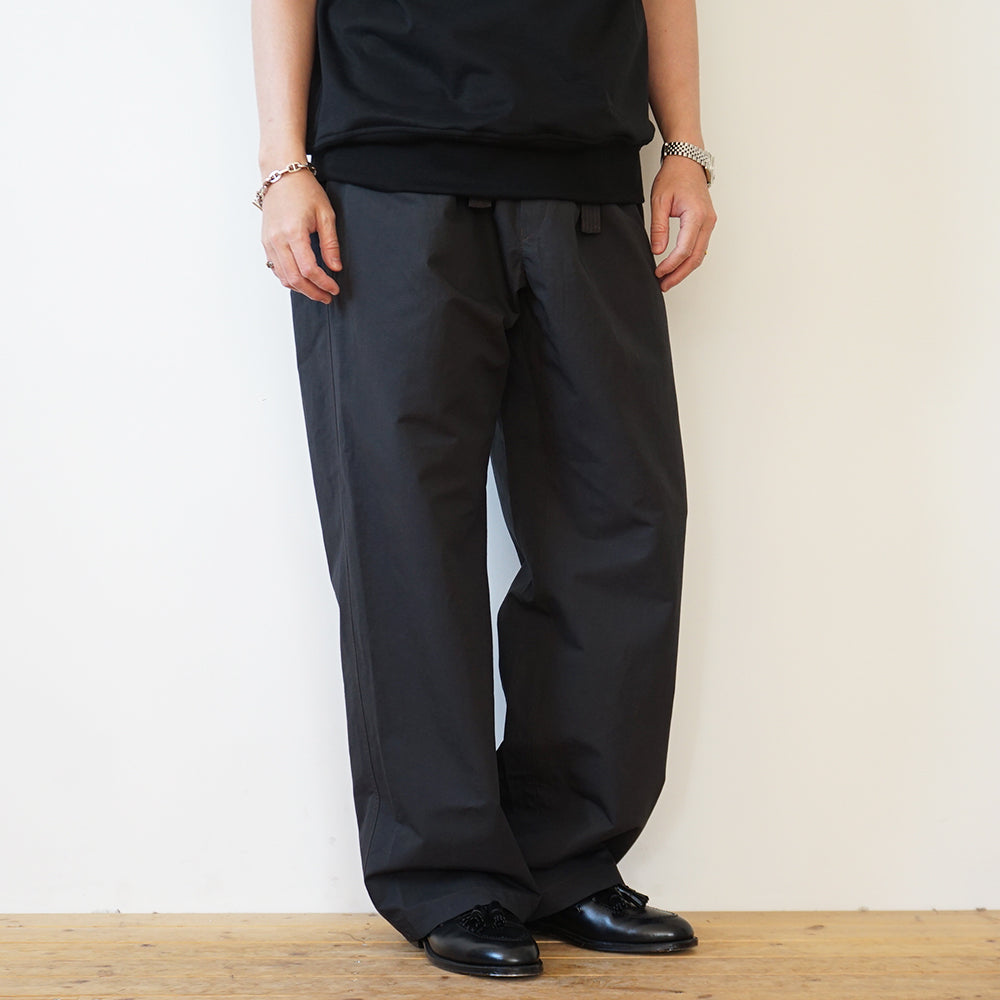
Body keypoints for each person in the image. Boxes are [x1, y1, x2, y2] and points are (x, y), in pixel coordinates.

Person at [250, 0, 716, 980]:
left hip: (585, 172)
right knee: (405, 539)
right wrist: (284, 163)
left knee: (620, 522)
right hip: (389, 176)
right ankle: (447, 874)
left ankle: (568, 857)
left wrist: (684, 147)